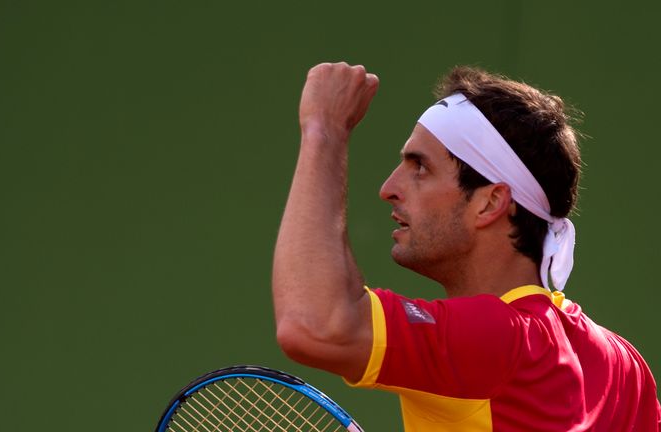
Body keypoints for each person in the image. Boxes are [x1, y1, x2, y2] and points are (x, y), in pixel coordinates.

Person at [272, 62, 661, 431]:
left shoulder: (497, 340)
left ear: (490, 203)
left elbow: (313, 326)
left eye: (420, 167)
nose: (388, 189)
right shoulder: (625, 365)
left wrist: (324, 130)